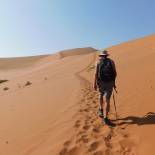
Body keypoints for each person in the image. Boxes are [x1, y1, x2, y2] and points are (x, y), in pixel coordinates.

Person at [94, 50, 117, 125]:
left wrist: (94, 84)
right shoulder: (111, 61)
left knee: (100, 95)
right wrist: (113, 82)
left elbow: (95, 74)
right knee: (107, 100)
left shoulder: (98, 62)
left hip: (101, 83)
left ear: (101, 55)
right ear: (107, 55)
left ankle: (101, 109)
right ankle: (106, 118)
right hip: (110, 83)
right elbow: (115, 73)